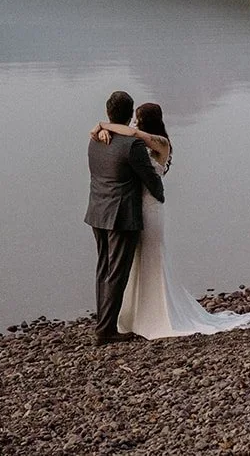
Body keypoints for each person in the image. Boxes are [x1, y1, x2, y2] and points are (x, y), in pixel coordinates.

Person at [91, 101, 250, 338]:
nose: (135, 123)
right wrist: (102, 130)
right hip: (134, 208)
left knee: (151, 257)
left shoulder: (160, 143)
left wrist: (103, 125)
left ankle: (156, 313)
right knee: (135, 261)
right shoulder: (138, 143)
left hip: (150, 208)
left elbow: (133, 134)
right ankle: (135, 313)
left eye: (139, 119)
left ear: (147, 122)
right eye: (134, 118)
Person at [84, 90, 165, 346]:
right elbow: (149, 178)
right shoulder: (132, 145)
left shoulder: (96, 140)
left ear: (109, 113)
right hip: (122, 214)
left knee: (103, 269)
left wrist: (100, 127)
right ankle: (106, 330)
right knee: (117, 272)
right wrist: (160, 195)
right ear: (130, 115)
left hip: (97, 210)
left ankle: (104, 322)